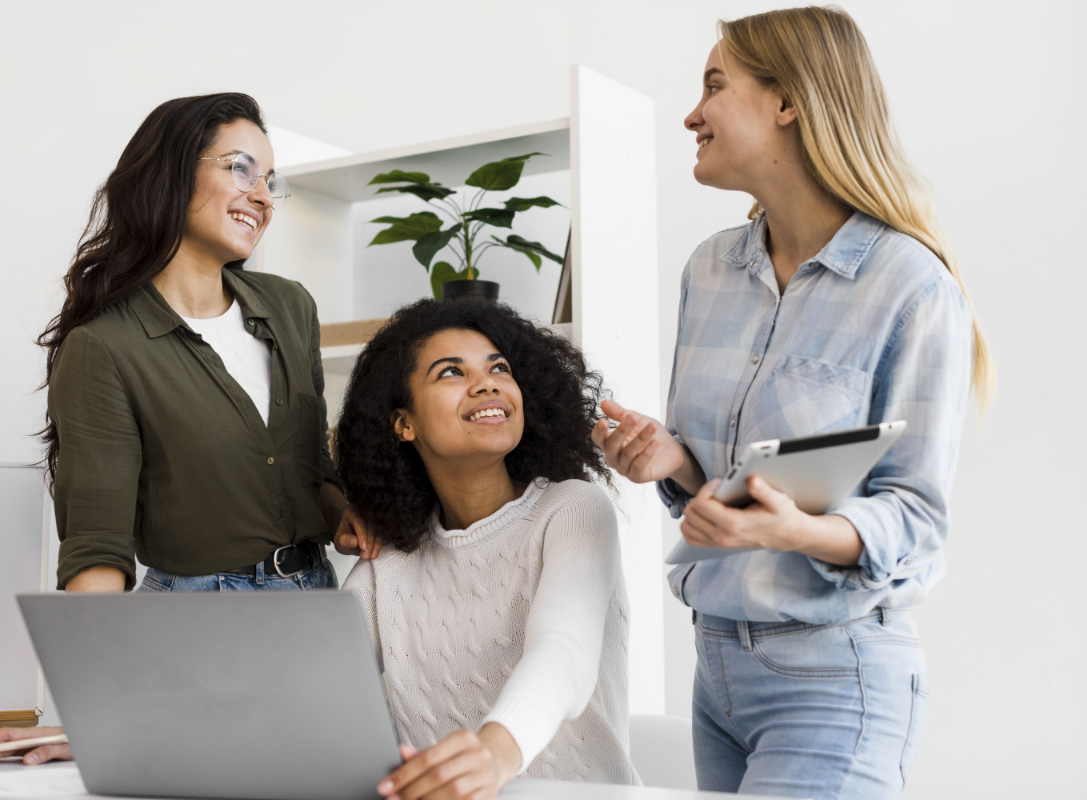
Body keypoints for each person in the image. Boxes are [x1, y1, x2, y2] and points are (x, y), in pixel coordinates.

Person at [592, 7, 993, 798]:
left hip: (833, 676)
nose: (691, 113)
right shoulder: (709, 270)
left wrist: (797, 530)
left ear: (789, 102)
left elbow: (915, 523)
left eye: (714, 86)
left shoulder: (910, 286)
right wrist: (674, 462)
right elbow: (725, 485)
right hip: (718, 673)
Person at [0, 93, 379, 765]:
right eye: (241, 169)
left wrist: (344, 512)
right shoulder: (105, 346)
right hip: (198, 624)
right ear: (173, 172)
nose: (261, 196)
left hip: (318, 606)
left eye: (270, 181)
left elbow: (309, 473)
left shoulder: (289, 307)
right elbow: (97, 551)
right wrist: (98, 714)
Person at [337, 298, 638, 800]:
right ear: (403, 423)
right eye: (451, 372)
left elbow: (563, 653)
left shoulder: (573, 510)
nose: (487, 382)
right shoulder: (387, 564)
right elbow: (321, 682)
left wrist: (495, 754)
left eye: (499, 367)